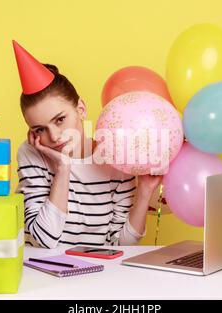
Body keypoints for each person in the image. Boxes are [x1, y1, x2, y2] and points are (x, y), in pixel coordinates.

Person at [13, 41, 161, 248]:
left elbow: (120, 245)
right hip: (42, 274)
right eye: (40, 129)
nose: (54, 136)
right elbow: (43, 241)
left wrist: (145, 191)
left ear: (80, 109)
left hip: (95, 276)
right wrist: (63, 168)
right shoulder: (31, 154)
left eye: (60, 120)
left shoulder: (113, 155)